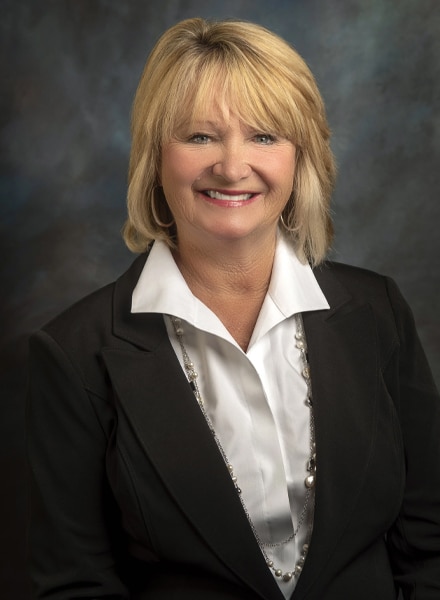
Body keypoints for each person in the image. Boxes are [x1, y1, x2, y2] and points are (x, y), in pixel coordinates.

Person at [26, 17, 440, 600]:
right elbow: (72, 582)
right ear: (154, 156)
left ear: (302, 159)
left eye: (264, 136)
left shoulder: (378, 311)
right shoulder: (72, 355)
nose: (231, 165)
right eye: (199, 137)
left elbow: (430, 541)